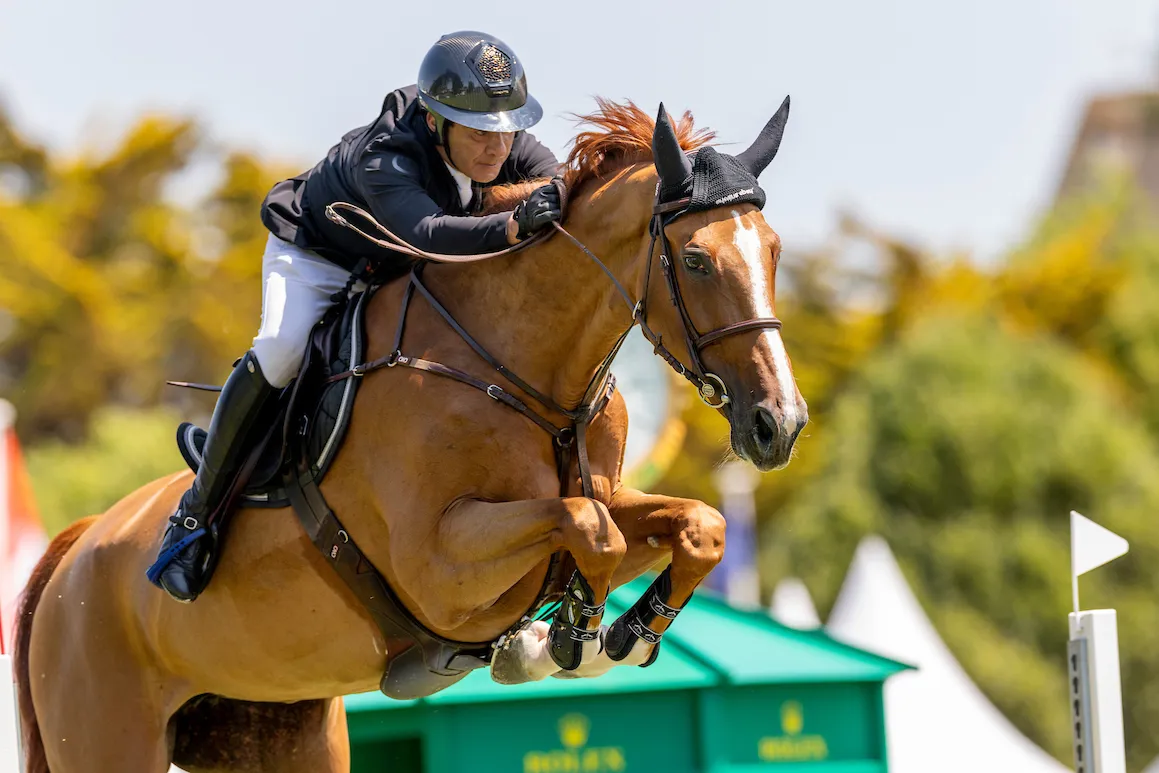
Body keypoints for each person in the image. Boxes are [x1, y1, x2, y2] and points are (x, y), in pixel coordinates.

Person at [147, 30, 565, 602]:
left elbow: (558, 183)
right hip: (320, 257)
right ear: (435, 122)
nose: (498, 149)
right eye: (479, 134)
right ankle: (195, 515)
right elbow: (427, 235)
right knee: (282, 350)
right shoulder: (387, 153)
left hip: (396, 270)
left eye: (507, 131)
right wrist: (514, 223)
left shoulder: (499, 137)